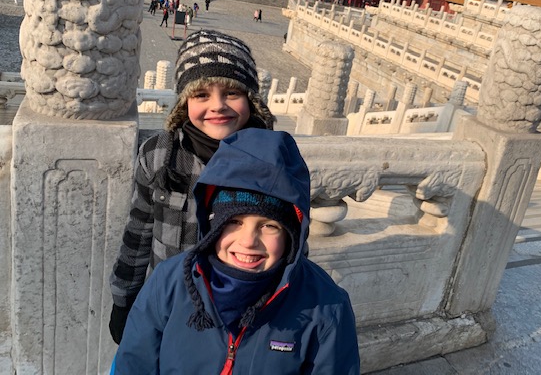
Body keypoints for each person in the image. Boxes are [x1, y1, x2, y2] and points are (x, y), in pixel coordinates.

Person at [112, 129, 360, 374]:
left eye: (269, 226)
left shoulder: (326, 305)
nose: (248, 241)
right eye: (233, 222)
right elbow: (134, 364)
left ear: (291, 234)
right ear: (213, 224)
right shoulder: (168, 282)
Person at [109, 30, 276, 344]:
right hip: (168, 306)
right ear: (184, 102)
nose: (218, 105)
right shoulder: (160, 156)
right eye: (201, 95)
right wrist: (123, 299)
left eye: (232, 92)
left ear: (251, 100)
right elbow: (139, 231)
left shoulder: (272, 163)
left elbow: (293, 249)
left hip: (243, 318)